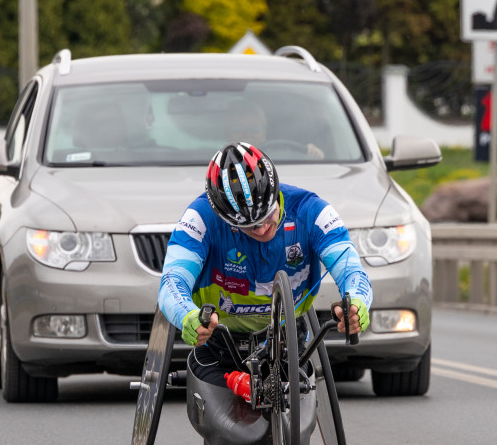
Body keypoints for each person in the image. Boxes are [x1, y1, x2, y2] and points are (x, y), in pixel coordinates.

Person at [158, 143, 371, 388]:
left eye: (266, 214)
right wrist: (188, 316)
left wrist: (356, 302)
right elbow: (172, 281)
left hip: (288, 340)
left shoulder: (313, 211)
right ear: (221, 214)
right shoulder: (200, 217)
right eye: (247, 225)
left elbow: (352, 271)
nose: (260, 228)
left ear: (276, 192)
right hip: (219, 344)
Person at [225, 100, 325, 160]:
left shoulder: (285, 158)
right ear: (228, 133)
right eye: (238, 129)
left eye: (255, 129)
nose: (247, 134)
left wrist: (314, 154)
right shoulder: (217, 166)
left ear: (264, 132)